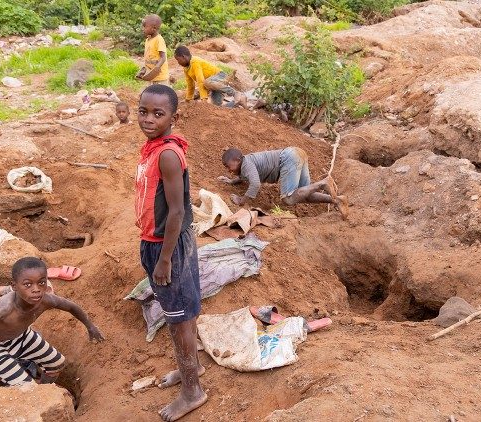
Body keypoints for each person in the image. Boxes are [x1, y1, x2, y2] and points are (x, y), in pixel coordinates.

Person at [135, 85, 207, 421]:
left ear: (173, 118)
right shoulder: (153, 148)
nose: (148, 119)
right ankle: (190, 371)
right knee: (182, 312)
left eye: (157, 114)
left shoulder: (167, 154)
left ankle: (192, 391)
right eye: (143, 111)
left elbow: (177, 211)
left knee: (178, 319)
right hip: (160, 243)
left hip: (169, 247)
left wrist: (164, 260)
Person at [0, 257, 103, 403]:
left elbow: (71, 306)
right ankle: (30, 395)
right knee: (28, 389)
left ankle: (43, 393)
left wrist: (90, 326)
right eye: (27, 284)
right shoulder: (3, 308)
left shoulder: (46, 300)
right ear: (14, 287)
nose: (36, 289)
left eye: (41, 283)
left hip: (20, 336)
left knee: (56, 363)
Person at [219, 147, 348, 217]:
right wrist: (231, 181)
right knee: (304, 195)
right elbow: (244, 176)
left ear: (237, 160)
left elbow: (255, 183)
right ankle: (337, 200)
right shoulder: (245, 166)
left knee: (288, 199)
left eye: (227, 165)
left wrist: (242, 200)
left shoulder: (247, 164)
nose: (227, 169)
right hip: (296, 153)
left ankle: (322, 183)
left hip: (288, 158)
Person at [173, 45, 246, 108]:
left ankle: (235, 93)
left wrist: (203, 99)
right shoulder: (186, 68)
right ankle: (238, 102)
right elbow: (190, 85)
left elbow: (200, 81)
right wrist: (188, 100)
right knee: (216, 108)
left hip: (219, 76)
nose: (178, 63)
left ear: (183, 57)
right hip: (213, 85)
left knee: (206, 82)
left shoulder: (195, 62)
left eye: (178, 60)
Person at [136, 14, 169, 86]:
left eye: (145, 27)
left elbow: (163, 58)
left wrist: (156, 69)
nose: (143, 29)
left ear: (153, 28)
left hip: (160, 78)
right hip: (151, 76)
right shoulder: (148, 40)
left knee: (161, 95)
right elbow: (148, 57)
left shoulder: (159, 40)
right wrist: (144, 70)